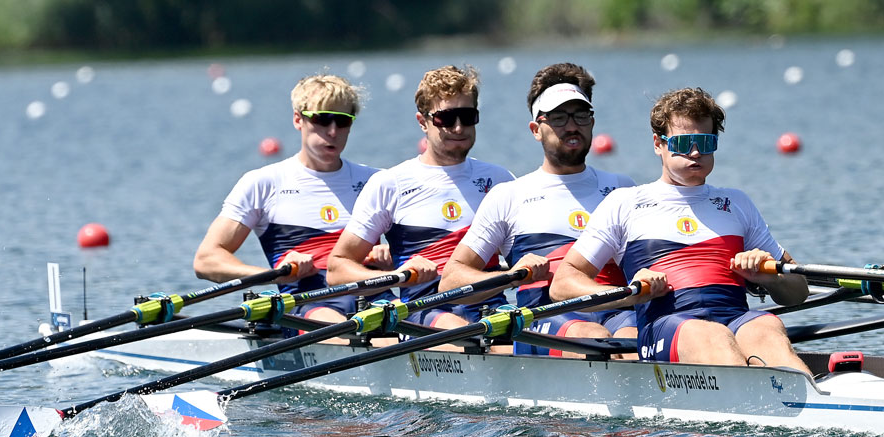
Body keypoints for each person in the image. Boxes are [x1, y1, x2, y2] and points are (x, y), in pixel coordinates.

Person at [551, 87, 814, 369]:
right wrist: (629, 292)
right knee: (710, 335)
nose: (696, 152)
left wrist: (770, 278)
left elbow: (798, 291)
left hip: (735, 317)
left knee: (766, 328)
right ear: (658, 144)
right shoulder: (625, 203)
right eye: (684, 142)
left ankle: (805, 392)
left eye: (705, 142)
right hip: (666, 327)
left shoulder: (737, 203)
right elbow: (562, 284)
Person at [439, 63, 637, 357]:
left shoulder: (622, 189)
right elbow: (450, 281)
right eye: (558, 118)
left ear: (592, 122)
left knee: (634, 341)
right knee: (593, 338)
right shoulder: (509, 196)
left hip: (616, 311)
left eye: (580, 115)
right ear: (535, 130)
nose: (572, 126)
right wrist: (513, 276)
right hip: (544, 315)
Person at [328, 65, 516, 331]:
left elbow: (524, 256)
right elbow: (337, 269)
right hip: (422, 313)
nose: (459, 127)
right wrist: (395, 276)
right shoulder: (390, 184)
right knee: (458, 328)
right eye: (446, 118)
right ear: (422, 121)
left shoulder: (500, 180)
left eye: (467, 116)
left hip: (491, 310)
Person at [195, 74, 385, 324]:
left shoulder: (377, 182)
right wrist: (274, 274)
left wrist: (393, 253)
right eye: (322, 119)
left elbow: (422, 250)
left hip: (377, 300)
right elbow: (206, 260)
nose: (332, 131)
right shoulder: (263, 184)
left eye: (342, 121)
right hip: (307, 306)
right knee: (344, 328)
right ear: (298, 119)